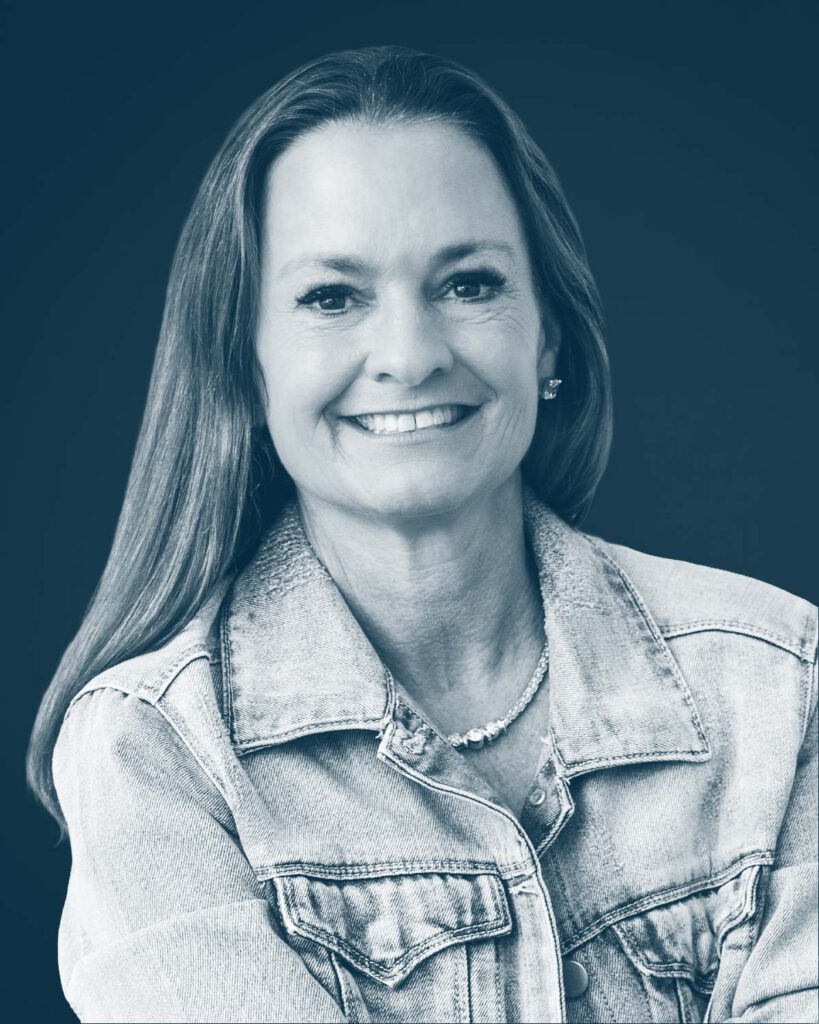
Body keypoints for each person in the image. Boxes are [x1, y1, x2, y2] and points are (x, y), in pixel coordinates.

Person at [27, 45, 817, 1024]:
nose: (407, 355)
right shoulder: (153, 750)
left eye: (469, 284)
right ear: (246, 365)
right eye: (332, 298)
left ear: (550, 339)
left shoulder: (779, 684)